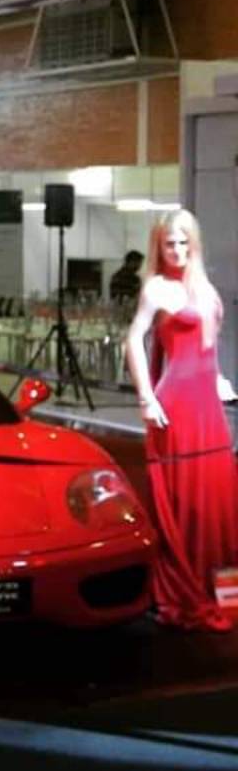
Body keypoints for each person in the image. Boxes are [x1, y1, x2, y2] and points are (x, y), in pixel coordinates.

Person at [125, 209, 238, 632]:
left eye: (182, 242)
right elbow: (133, 339)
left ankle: (222, 586)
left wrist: (220, 378)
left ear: (194, 243)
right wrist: (146, 396)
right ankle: (184, 583)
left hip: (207, 404)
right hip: (176, 404)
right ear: (159, 246)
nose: (175, 250)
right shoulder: (156, 288)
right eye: (168, 243)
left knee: (216, 495)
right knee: (186, 497)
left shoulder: (204, 288)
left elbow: (208, 345)